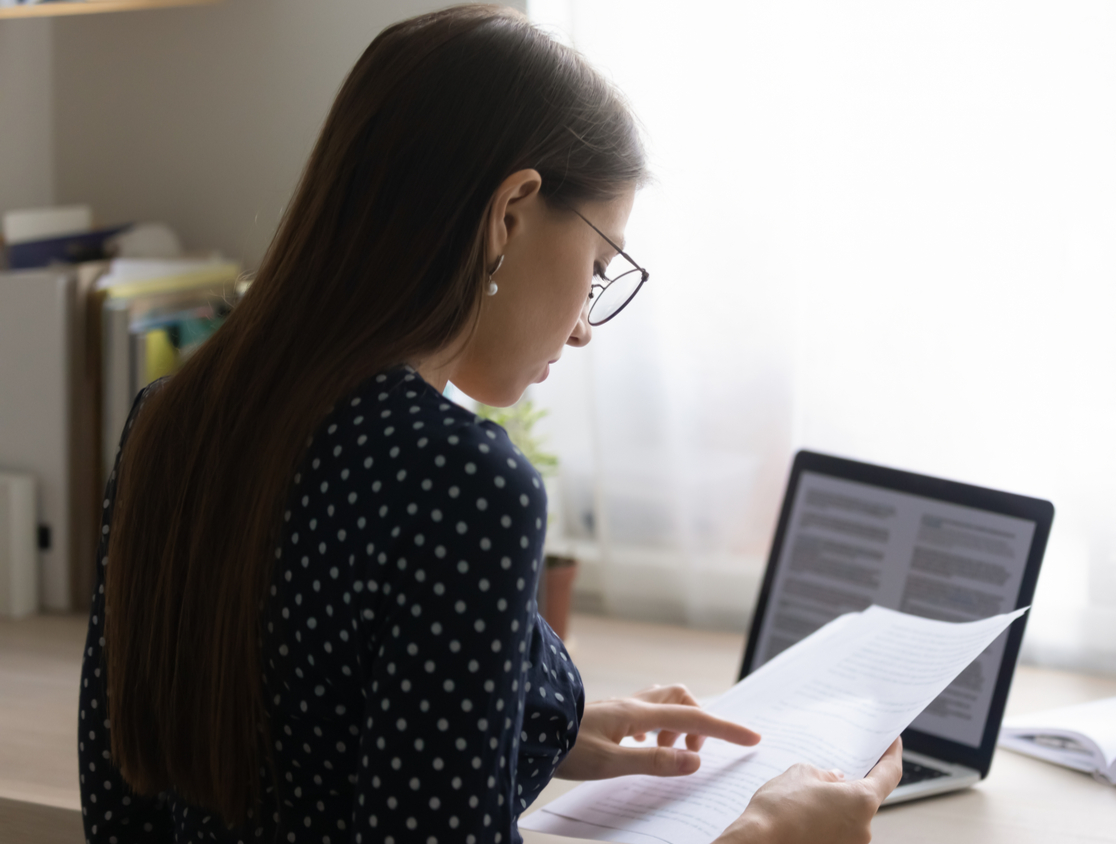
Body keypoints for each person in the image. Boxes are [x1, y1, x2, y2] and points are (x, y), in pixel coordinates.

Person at [76, 6, 902, 844]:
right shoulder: (457, 482)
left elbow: (137, 808)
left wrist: (529, 725)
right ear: (510, 212)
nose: (583, 325)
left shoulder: (170, 425)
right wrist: (765, 836)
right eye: (598, 267)